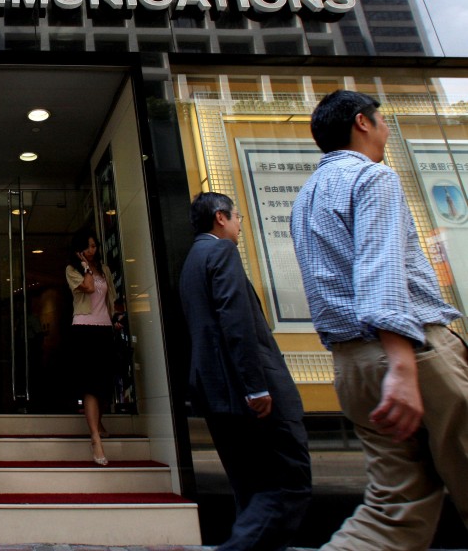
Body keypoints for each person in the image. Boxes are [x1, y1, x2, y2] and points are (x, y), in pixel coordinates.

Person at [291, 90, 468, 551]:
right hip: (412, 354)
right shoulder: (373, 178)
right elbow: (380, 269)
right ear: (362, 122)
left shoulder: (305, 197)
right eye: (383, 119)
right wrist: (403, 366)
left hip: (353, 366)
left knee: (394, 511)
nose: (388, 128)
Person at [179, 192, 311, 551]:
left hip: (214, 390)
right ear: (220, 217)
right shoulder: (220, 252)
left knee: (250, 489)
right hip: (244, 391)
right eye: (237, 216)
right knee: (286, 481)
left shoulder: (192, 260)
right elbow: (235, 321)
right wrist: (256, 387)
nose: (241, 224)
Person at [65, 227, 118, 465]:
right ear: (79, 250)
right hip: (84, 329)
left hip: (104, 329)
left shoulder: (104, 269)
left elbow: (111, 299)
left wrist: (116, 319)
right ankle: (95, 438)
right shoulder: (72, 270)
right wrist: (85, 266)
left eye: (94, 245)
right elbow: (87, 288)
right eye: (88, 246)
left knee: (105, 383)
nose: (92, 250)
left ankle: (98, 422)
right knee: (90, 384)